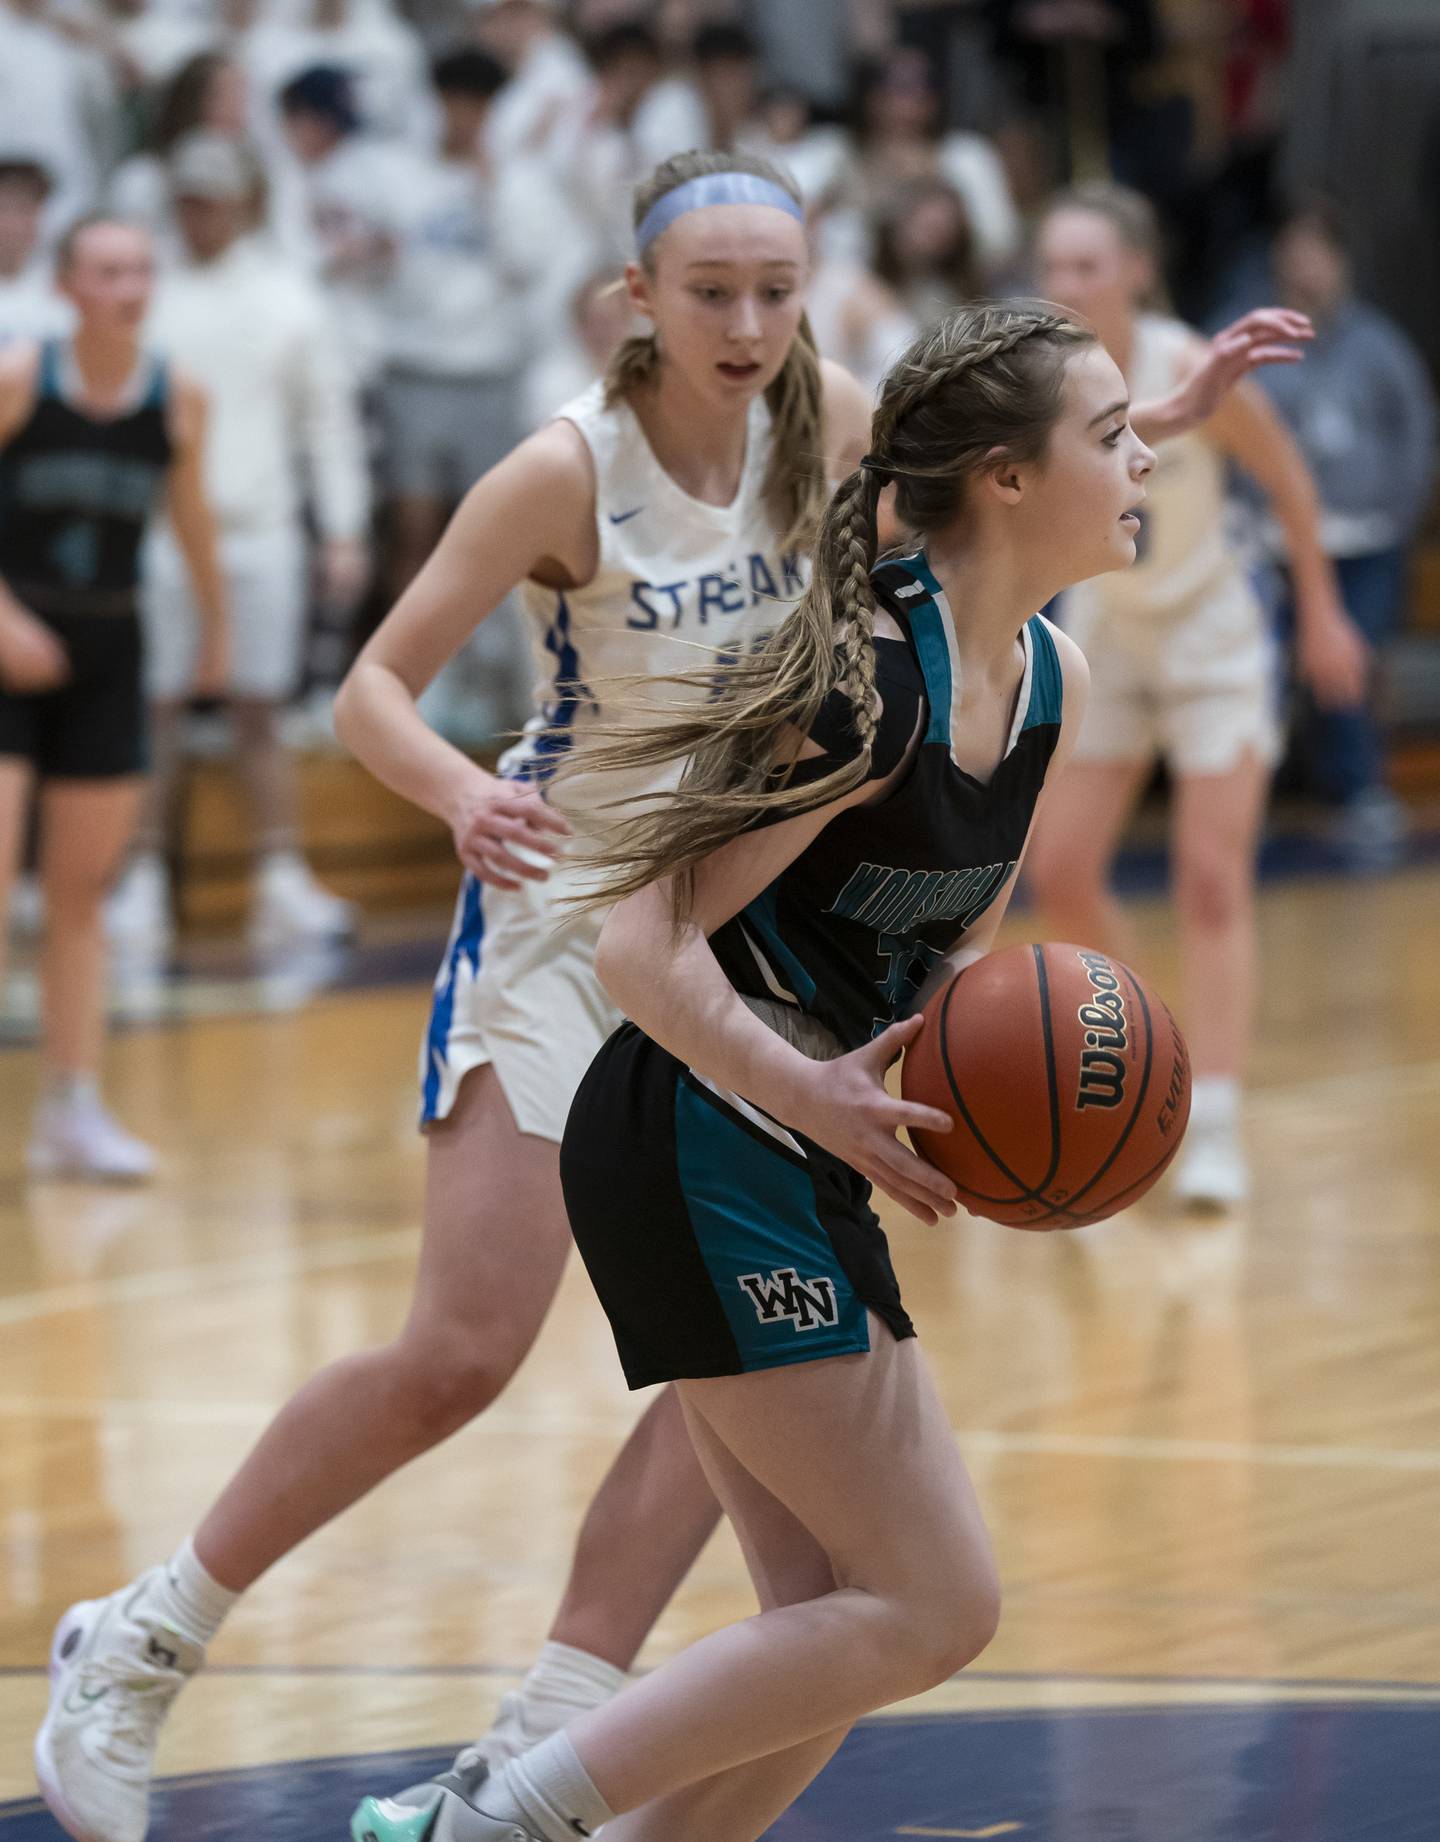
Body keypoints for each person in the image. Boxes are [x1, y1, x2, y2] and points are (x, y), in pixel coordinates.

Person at [32, 145, 1307, 1840]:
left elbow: (996, 445)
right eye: (714, 292)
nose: (755, 321)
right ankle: (150, 1630)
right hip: (575, 911)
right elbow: (370, 692)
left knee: (750, 1384)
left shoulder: (837, 424)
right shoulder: (569, 469)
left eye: (780, 289)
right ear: (639, 299)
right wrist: (454, 793)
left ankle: (554, 1726)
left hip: (769, 949)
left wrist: (1176, 405)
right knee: (465, 1350)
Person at [345, 297, 1146, 1842]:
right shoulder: (857, 675)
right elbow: (644, 954)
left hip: (785, 1140)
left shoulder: (1053, 683)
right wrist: (818, 1094)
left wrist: (980, 1100)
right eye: (1109, 434)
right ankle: (490, 1820)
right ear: (1000, 476)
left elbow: (947, 960)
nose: (1141, 455)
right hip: (696, 1129)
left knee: (829, 1627)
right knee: (932, 1601)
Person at [1023, 182, 1368, 1211]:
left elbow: (1291, 480)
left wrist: (1321, 609)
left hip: (1214, 637)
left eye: (1087, 266)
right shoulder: (1045, 382)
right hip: (1112, 637)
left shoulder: (1188, 365)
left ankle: (1210, 1116)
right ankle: (1155, 1055)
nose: (1067, 285)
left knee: (1211, 879)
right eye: (1053, 268)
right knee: (1061, 872)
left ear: (1136, 268)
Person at [0, 216, 226, 1180]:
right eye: (107, 270)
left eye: (140, 268)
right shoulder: (20, 378)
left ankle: (72, 1108)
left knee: (82, 898)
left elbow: (189, 516)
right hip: (9, 642)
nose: (128, 285)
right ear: (67, 285)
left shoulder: (179, 396)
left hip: (109, 646)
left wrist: (217, 627)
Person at [108, 133, 370, 956]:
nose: (200, 211)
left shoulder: (291, 298)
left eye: (214, 196)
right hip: (159, 535)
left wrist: (344, 527)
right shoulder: (144, 294)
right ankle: (139, 883)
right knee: (155, 710)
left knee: (262, 710)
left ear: (246, 202)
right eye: (187, 196)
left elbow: (327, 421)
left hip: (261, 533)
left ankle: (279, 880)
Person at [1255, 198, 1436, 870]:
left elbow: (1414, 433)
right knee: (1262, 671)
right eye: (1293, 250)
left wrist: (1396, 510)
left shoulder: (1378, 343)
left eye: (1317, 251)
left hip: (1364, 540)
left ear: (1341, 262)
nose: (1305, 265)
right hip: (1271, 542)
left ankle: (1359, 791)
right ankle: (1257, 796)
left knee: (1353, 665)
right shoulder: (1247, 337)